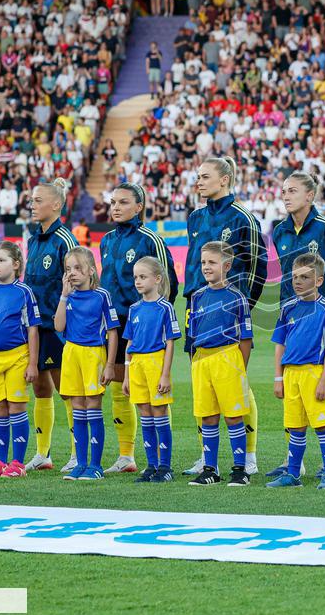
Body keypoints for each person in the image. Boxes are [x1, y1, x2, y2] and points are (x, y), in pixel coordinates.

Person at [266, 171, 325, 480]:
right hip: (292, 315)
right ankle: (296, 462)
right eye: (284, 190)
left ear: (310, 196)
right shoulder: (279, 231)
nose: (286, 195)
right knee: (294, 386)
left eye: (292, 190)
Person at [183, 156, 266, 477]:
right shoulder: (196, 217)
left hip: (230, 310)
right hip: (198, 306)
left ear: (225, 179)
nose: (199, 181)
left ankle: (249, 455)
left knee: (237, 384)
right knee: (202, 381)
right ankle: (208, 457)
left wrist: (244, 304)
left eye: (205, 176)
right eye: (197, 176)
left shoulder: (243, 218)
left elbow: (258, 266)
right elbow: (193, 263)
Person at [100, 182, 178, 475]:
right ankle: (126, 456)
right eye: (113, 202)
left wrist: (154, 322)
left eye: (123, 202)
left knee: (154, 398)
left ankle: (162, 463)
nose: (116, 207)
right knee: (125, 389)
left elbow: (169, 282)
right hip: (115, 327)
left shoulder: (150, 239)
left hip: (145, 330)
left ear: (139, 206)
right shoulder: (106, 240)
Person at [267, 253, 325, 490]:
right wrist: (278, 377)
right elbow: (280, 345)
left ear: (318, 281)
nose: (297, 282)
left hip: (314, 373)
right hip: (291, 375)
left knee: (323, 425)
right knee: (295, 425)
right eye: (294, 277)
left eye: (305, 277)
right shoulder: (287, 308)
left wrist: (324, 380)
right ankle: (292, 474)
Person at [186, 242, 254, 487]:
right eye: (204, 262)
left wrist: (239, 368)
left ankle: (240, 470)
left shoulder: (237, 297)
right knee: (208, 417)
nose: (206, 267)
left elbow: (246, 338)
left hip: (228, 359)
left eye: (212, 262)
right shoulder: (197, 296)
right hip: (202, 361)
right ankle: (210, 469)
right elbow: (193, 335)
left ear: (227, 265)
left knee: (234, 417)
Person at [24, 178, 79, 473]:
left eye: (37, 200)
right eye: (32, 200)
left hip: (59, 326)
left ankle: (76, 452)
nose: (32, 205)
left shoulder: (65, 241)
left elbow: (79, 282)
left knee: (66, 389)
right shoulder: (33, 240)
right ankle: (42, 453)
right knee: (41, 389)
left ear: (56, 205)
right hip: (35, 326)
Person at [0, 241, 41, 479]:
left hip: (17, 357)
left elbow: (33, 329)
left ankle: (18, 462)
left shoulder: (24, 292)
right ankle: (0, 461)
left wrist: (32, 363)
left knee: (16, 407)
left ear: (15, 264)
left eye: (1, 260)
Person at [54, 247, 120, 481]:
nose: (72, 273)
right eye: (68, 269)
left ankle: (95, 465)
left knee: (93, 406)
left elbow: (112, 332)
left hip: (93, 354)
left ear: (91, 271)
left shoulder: (101, 296)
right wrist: (63, 295)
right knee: (77, 408)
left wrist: (110, 364)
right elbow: (59, 327)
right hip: (71, 353)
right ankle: (80, 463)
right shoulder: (67, 297)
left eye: (77, 268)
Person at [121, 256, 181, 484]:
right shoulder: (134, 308)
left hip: (156, 363)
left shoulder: (165, 307)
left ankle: (165, 467)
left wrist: (165, 374)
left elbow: (171, 343)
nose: (138, 281)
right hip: (137, 365)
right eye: (135, 277)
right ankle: (151, 466)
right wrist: (126, 374)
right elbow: (129, 343)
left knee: (159, 413)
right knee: (145, 414)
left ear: (157, 279)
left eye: (143, 277)